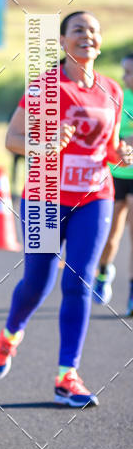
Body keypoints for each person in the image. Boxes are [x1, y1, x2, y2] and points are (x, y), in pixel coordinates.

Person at [0, 11, 133, 407]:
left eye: (94, 30)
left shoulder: (112, 90)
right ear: (63, 42)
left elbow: (109, 149)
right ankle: (9, 335)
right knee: (38, 283)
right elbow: (12, 139)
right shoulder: (45, 87)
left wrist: (121, 154)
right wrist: (45, 144)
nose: (87, 35)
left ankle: (68, 375)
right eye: (78, 30)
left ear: (100, 41)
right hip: (44, 197)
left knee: (79, 281)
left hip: (94, 197)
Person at [92, 52, 133, 314]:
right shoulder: (118, 97)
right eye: (124, 71)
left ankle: (132, 292)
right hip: (116, 175)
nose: (124, 77)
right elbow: (109, 136)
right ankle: (104, 271)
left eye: (129, 72)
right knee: (111, 236)